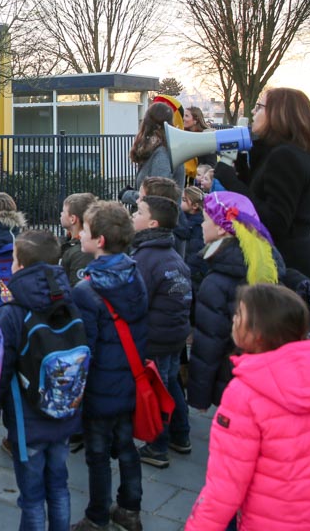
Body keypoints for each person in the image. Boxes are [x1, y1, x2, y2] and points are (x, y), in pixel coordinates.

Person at [184, 284, 310, 531]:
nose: (233, 319)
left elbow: (226, 485)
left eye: (239, 315)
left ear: (258, 333)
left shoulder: (244, 393)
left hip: (267, 518)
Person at [70, 201, 147, 531]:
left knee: (98, 453)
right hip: (130, 378)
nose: (80, 234)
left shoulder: (87, 290)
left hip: (100, 387)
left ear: (99, 240)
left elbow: (84, 348)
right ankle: (130, 509)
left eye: (85, 231)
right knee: (127, 447)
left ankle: (97, 515)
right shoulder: (135, 274)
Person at [0, 230, 79, 531]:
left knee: (31, 498)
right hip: (65, 412)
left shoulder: (12, 312)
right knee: (59, 486)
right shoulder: (70, 300)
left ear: (20, 266)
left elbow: (0, 372)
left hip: (27, 420)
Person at [214, 88, 310, 281]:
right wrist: (243, 168)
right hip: (286, 261)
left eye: (259, 107)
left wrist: (230, 180)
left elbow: (275, 221)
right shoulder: (285, 153)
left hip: (287, 266)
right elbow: (261, 197)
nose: (253, 112)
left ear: (279, 113)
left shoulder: (285, 156)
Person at [188, 192, 281, 411]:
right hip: (265, 378)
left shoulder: (216, 281)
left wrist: (200, 397)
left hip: (232, 381)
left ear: (221, 228)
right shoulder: (267, 262)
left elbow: (209, 342)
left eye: (205, 219)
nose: (201, 225)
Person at [129, 195, 193, 470]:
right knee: (171, 383)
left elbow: (136, 300)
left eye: (138, 212)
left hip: (155, 338)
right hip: (174, 335)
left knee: (157, 389)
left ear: (152, 223)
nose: (133, 215)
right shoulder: (171, 253)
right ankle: (181, 434)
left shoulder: (146, 258)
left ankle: (157, 446)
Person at [120, 102, 184, 207]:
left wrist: (127, 195)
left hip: (158, 216)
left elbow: (158, 195)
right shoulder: (162, 149)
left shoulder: (162, 153)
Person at [59, 193, 97, 284]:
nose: (61, 214)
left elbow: (77, 287)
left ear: (72, 219)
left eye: (63, 211)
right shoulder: (68, 241)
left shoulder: (82, 252)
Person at [176, 186, 205, 263]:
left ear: (195, 206)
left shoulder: (198, 224)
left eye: (184, 200)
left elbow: (195, 248)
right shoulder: (183, 217)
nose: (180, 202)